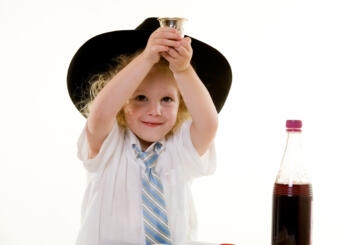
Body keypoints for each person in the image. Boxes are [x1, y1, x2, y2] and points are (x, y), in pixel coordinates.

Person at [67, 17, 232, 245]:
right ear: (122, 102)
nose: (155, 110)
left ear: (182, 103)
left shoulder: (179, 149)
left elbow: (208, 124)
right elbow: (100, 114)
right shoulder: (108, 145)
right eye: (140, 97)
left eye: (167, 99)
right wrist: (146, 58)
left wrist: (182, 71)